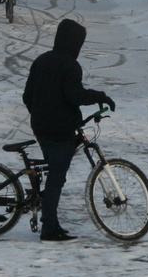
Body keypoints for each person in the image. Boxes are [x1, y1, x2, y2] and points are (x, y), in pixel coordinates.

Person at [23, 18, 115, 241]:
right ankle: (49, 228)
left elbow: (27, 96)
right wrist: (99, 97)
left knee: (57, 171)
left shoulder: (41, 60)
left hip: (41, 127)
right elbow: (75, 95)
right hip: (59, 130)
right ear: (75, 43)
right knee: (56, 177)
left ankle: (44, 204)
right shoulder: (70, 65)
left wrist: (40, 113)